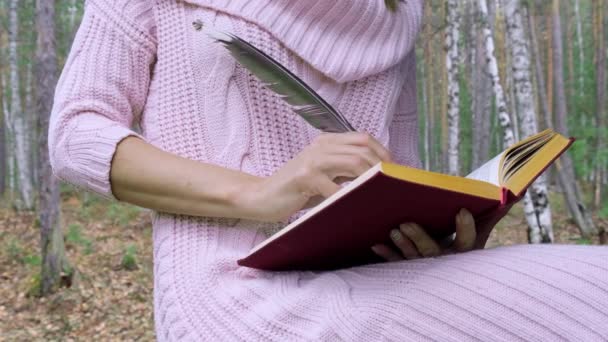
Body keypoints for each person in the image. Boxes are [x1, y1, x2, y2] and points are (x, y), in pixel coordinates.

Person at [49, 0, 608, 340]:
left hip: (373, 276)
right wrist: (260, 193)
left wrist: (436, 234)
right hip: (231, 297)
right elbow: (76, 134)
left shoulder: (397, 13)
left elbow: (397, 171)